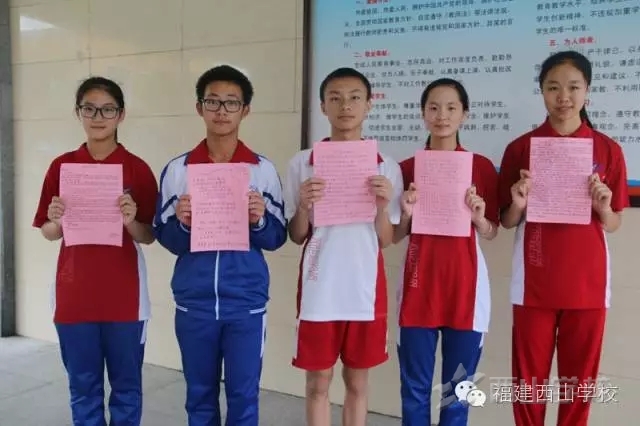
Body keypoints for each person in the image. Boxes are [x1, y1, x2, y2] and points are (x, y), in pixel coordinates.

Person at [498, 50, 629, 426]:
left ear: (587, 90)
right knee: (529, 382)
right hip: (534, 283)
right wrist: (518, 203)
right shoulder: (521, 148)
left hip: (587, 284)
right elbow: (506, 221)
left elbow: (614, 222)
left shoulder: (608, 149)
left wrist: (603, 207)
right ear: (541, 91)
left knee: (579, 383)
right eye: (553, 87)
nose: (564, 97)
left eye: (573, 87)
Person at [153, 65, 287, 426]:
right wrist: (182, 223)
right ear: (200, 108)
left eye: (232, 103)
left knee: (243, 397)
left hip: (245, 304)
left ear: (246, 110)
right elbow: (165, 238)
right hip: (193, 303)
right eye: (213, 101)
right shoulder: (178, 170)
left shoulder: (262, 170)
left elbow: (277, 237)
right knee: (199, 396)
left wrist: (258, 221)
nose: (222, 111)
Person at [32, 77, 158, 426]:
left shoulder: (137, 168)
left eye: (107, 109)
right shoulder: (62, 166)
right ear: (78, 113)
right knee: (83, 388)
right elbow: (47, 231)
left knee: (127, 388)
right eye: (89, 108)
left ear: (121, 115)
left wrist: (131, 221)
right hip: (74, 296)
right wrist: (56, 220)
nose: (98, 117)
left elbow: (149, 236)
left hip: (126, 298)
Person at [284, 67, 403, 426]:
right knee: (318, 383)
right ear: (323, 106)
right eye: (335, 98)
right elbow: (296, 235)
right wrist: (304, 207)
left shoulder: (386, 167)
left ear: (369, 104)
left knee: (357, 382)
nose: (345, 106)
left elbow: (385, 239)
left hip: (364, 288)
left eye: (354, 98)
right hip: (319, 287)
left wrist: (382, 206)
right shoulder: (302, 162)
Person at [392, 78, 499, 426]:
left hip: (466, 289)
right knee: (415, 389)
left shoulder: (480, 166)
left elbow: (493, 231)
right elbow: (395, 235)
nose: (442, 116)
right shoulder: (406, 168)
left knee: (458, 391)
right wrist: (406, 213)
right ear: (423, 114)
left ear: (464, 114)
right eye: (434, 108)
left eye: (451, 108)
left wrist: (479, 218)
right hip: (418, 287)